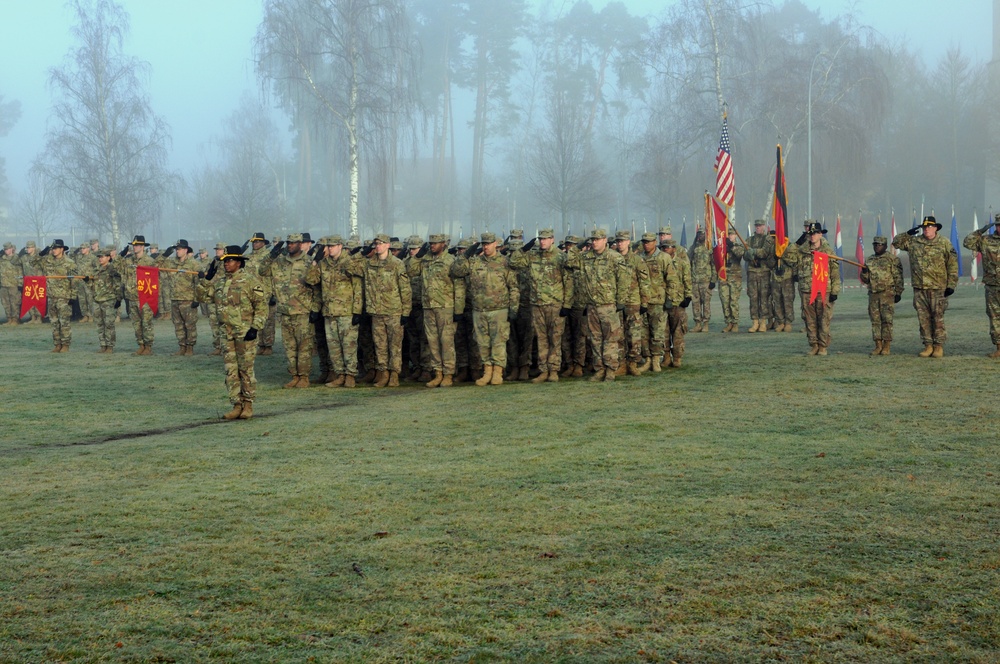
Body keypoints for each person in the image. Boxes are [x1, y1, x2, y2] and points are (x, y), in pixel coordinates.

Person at [450, 232, 519, 386]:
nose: (486, 246)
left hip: (499, 309)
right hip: (479, 310)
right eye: (484, 244)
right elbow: (456, 271)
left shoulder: (505, 262)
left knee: (499, 342)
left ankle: (498, 372)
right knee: (482, 343)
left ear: (496, 244)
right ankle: (487, 371)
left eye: (489, 243)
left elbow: (513, 287)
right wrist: (466, 255)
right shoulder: (475, 262)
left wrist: (513, 309)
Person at [508, 228, 576, 383]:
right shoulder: (532, 256)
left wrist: (566, 304)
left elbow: (568, 281)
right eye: (541, 239)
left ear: (552, 239)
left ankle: (553, 370)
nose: (543, 241)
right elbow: (513, 262)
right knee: (542, 339)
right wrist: (523, 249)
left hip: (555, 304)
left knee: (555, 339)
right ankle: (543, 370)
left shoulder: (560, 256)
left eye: (546, 239)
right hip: (537, 304)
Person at [347, 233, 412, 387]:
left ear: (388, 245)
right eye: (376, 244)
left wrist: (406, 312)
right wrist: (361, 253)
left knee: (394, 346)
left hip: (394, 311)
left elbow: (405, 289)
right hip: (376, 312)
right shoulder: (368, 263)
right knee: (380, 346)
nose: (378, 246)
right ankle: (384, 374)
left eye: (381, 243)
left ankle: (395, 374)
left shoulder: (397, 264)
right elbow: (348, 266)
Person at [212, 245, 267, 420]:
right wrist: (205, 279)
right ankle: (236, 404)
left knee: (245, 369)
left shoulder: (250, 281)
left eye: (230, 260)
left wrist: (255, 327)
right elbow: (203, 297)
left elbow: (261, 307)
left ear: (239, 262)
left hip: (244, 333)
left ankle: (248, 404)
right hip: (226, 333)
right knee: (230, 371)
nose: (226, 264)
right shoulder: (220, 282)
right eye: (225, 261)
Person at [893, 215, 958, 357]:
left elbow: (952, 264)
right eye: (924, 227)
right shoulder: (914, 242)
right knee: (923, 319)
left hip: (938, 288)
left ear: (935, 228)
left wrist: (951, 285)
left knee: (938, 318)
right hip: (920, 288)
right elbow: (896, 243)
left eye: (929, 227)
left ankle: (938, 346)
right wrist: (908, 233)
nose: (927, 230)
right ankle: (928, 345)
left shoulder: (944, 243)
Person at [406, 233, 464, 387]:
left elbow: (459, 287)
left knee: (446, 342)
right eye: (431, 243)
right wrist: (418, 255)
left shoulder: (450, 261)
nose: (432, 245)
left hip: (445, 307)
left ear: (443, 244)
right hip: (428, 307)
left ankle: (448, 373)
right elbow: (411, 271)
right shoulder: (424, 260)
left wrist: (458, 310)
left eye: (436, 243)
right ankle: (437, 372)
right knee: (432, 342)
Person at [259, 233, 316, 387]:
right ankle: (295, 376)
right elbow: (262, 270)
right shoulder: (279, 262)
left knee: (304, 346)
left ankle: (304, 377)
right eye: (288, 243)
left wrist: (315, 310)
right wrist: (271, 255)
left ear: (300, 244)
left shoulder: (309, 262)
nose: (290, 245)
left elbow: (316, 285)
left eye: (293, 243)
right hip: (284, 311)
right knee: (289, 347)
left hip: (302, 311)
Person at [305, 236, 363, 387]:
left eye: (332, 246)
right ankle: (340, 374)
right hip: (329, 312)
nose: (329, 248)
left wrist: (357, 311)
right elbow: (311, 280)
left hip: (346, 311)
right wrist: (314, 262)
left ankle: (350, 375)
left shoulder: (349, 262)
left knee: (349, 346)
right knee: (334, 347)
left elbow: (357, 287)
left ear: (340, 246)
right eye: (327, 246)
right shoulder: (323, 264)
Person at [579, 228, 629, 381]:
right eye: (592, 239)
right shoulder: (586, 258)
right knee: (595, 339)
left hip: (608, 305)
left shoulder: (614, 257)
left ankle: (611, 369)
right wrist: (577, 246)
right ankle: (599, 369)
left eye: (597, 239)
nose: (594, 242)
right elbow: (569, 262)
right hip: (592, 305)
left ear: (605, 240)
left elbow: (623, 280)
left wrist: (621, 301)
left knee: (610, 339)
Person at [784, 221, 841, 355]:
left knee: (824, 318)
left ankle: (822, 346)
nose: (813, 236)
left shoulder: (828, 252)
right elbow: (787, 256)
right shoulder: (802, 251)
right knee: (809, 319)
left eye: (815, 233)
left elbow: (835, 273)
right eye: (810, 234)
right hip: (807, 290)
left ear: (821, 234)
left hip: (823, 291)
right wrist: (797, 243)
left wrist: (835, 291)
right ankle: (813, 344)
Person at [612, 230, 650, 376]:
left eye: (622, 241)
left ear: (628, 242)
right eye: (618, 241)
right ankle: (621, 364)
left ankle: (633, 363)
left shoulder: (636, 260)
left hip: (633, 301)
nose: (620, 243)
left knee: (634, 334)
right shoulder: (613, 258)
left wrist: (644, 302)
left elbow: (644, 282)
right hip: (616, 302)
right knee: (618, 334)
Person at [30, 239, 77, 351]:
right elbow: (32, 263)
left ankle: (65, 344)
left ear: (62, 249)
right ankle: (57, 344)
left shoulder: (69, 263)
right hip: (51, 296)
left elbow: (75, 281)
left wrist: (73, 296)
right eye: (52, 249)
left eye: (56, 248)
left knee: (64, 322)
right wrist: (41, 253)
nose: (54, 250)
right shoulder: (47, 261)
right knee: (54, 322)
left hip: (64, 297)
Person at [157, 239, 201, 355]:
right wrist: (165, 255)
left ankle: (190, 347)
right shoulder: (171, 263)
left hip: (188, 299)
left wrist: (197, 299)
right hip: (175, 298)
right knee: (178, 325)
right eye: (176, 249)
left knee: (190, 325)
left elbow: (199, 283)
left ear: (186, 250)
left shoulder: (194, 264)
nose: (177, 251)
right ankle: (182, 346)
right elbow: (156, 265)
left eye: (180, 249)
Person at [860, 236, 904, 356]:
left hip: (887, 294)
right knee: (875, 321)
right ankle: (878, 345)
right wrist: (864, 272)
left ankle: (887, 346)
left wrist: (898, 292)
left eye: (880, 244)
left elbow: (898, 277)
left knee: (887, 320)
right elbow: (866, 280)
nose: (877, 246)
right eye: (875, 244)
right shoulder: (869, 260)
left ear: (885, 246)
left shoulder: (892, 259)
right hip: (873, 295)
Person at [963, 216, 1000, 357]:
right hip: (992, 286)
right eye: (997, 225)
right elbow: (967, 242)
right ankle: (999, 347)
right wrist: (980, 231)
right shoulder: (985, 241)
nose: (999, 228)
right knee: (995, 317)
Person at [115, 235, 157, 355]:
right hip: (131, 297)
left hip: (145, 298)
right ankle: (141, 345)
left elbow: (154, 281)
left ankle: (148, 346)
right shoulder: (128, 260)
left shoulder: (149, 262)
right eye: (133, 245)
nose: (135, 247)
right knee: (136, 324)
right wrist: (120, 255)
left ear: (143, 247)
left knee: (146, 323)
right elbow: (115, 267)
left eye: (137, 245)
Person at [638, 232, 671, 372]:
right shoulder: (639, 258)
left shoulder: (664, 257)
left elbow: (671, 279)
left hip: (658, 301)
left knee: (657, 332)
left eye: (649, 241)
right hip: (642, 301)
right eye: (644, 242)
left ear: (655, 242)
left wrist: (670, 298)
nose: (646, 244)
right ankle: (648, 359)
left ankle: (657, 359)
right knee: (643, 333)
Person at [245, 232, 277, 356]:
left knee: (268, 321)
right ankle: (260, 345)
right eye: (254, 242)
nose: (255, 244)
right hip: (253, 294)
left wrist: (274, 293)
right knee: (255, 320)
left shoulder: (269, 256)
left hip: (267, 293)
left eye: (258, 241)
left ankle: (268, 345)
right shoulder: (249, 257)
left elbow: (275, 275)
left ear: (263, 243)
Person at [662, 239, 693, 367]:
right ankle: (666, 357)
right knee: (664, 332)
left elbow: (687, 280)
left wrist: (688, 296)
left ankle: (677, 358)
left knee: (678, 332)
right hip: (663, 302)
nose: (665, 250)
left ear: (674, 249)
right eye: (663, 248)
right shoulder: (660, 262)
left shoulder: (681, 263)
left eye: (667, 248)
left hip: (678, 302)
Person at [744, 219, 776, 333]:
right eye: (756, 225)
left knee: (764, 298)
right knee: (753, 298)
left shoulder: (767, 239)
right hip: (752, 272)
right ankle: (755, 322)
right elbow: (745, 254)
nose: (758, 227)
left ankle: (763, 322)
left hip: (764, 272)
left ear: (764, 226)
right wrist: (748, 254)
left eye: (760, 225)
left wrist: (754, 252)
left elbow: (765, 252)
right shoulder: (749, 239)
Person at [718, 229, 745, 332]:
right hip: (724, 277)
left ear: (735, 235)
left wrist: (731, 246)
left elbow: (740, 254)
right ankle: (728, 322)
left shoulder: (738, 246)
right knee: (725, 301)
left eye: (731, 234)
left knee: (733, 301)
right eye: (728, 234)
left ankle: (735, 323)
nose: (730, 236)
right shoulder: (721, 247)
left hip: (734, 277)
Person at [688, 229, 715, 332]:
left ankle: (706, 324)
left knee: (706, 303)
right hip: (695, 280)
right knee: (695, 303)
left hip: (706, 280)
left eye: (702, 234)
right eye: (699, 234)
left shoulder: (709, 248)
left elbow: (714, 265)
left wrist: (713, 279)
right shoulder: (694, 247)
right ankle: (697, 323)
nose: (700, 236)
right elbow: (688, 259)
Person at [0, 242, 23, 324]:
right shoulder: (2, 259)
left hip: (14, 284)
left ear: (11, 249)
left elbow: (20, 271)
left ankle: (15, 319)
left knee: (15, 302)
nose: (6, 251)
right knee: (5, 303)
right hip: (3, 284)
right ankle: (9, 319)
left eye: (7, 249)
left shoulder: (16, 258)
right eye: (5, 249)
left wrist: (20, 284)